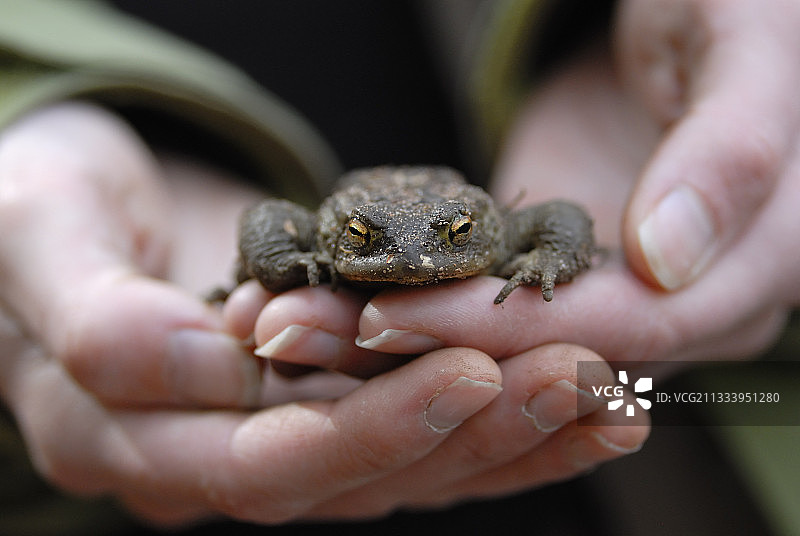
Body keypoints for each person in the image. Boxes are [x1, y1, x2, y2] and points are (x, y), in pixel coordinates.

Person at [0, 0, 797, 532]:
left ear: (476, 228)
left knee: (593, 393)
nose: (411, 264)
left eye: (446, 243)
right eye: (378, 248)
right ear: (344, 235)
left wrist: (558, 259)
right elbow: (268, 221)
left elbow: (561, 216)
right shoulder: (333, 229)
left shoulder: (493, 225)